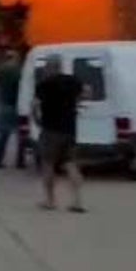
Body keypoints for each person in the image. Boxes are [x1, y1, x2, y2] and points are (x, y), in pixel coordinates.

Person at [32, 55, 86, 212]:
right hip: (69, 129)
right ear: (61, 67)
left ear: (49, 67)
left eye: (46, 67)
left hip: (50, 130)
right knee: (70, 164)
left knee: (48, 164)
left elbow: (35, 105)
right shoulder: (73, 81)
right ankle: (78, 201)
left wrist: (37, 120)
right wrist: (74, 105)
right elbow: (85, 94)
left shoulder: (43, 85)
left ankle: (50, 200)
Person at [0, 49, 26, 169]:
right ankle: (20, 161)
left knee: (3, 134)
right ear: (17, 58)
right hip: (20, 105)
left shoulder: (2, 69)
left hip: (6, 105)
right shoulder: (20, 69)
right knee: (22, 135)